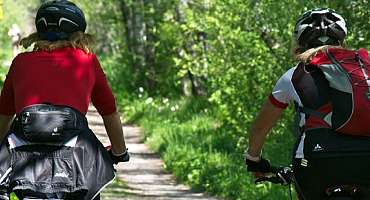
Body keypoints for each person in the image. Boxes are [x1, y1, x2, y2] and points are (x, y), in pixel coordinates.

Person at [0, 0, 129, 199]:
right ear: (79, 34)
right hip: (75, 157)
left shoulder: (20, 62)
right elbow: (109, 112)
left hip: (23, 161)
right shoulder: (86, 61)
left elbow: (4, 115)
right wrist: (119, 152)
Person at [245, 8, 370, 200]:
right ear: (342, 41)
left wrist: (254, 160)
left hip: (316, 161)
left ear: (302, 43)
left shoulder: (294, 75)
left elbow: (260, 128)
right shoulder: (365, 70)